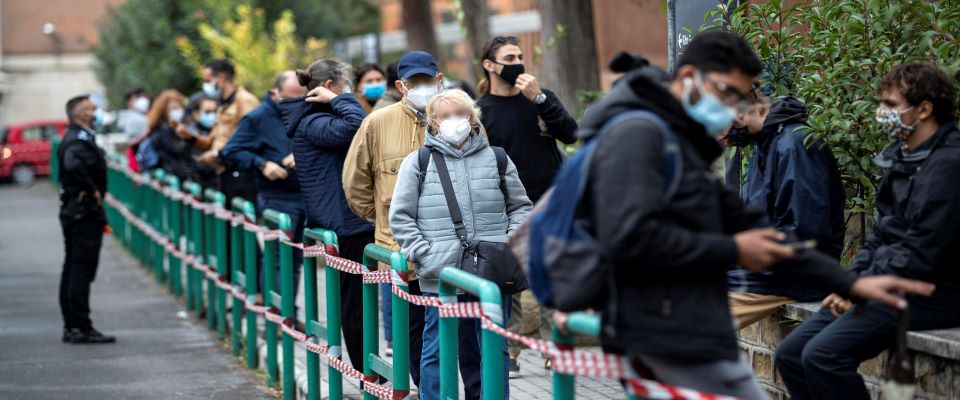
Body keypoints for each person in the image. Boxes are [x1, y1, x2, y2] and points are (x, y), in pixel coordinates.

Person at [578, 30, 934, 399]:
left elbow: (802, 232)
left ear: (751, 102)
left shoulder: (792, 144)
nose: (723, 120)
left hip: (783, 278)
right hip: (764, 271)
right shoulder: (749, 145)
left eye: (732, 100)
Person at [775, 62, 960, 400]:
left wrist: (857, 291)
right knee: (789, 355)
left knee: (823, 357)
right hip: (885, 286)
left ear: (925, 109)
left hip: (932, 293)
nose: (880, 113)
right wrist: (851, 282)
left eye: (889, 105)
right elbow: (881, 236)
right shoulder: (903, 157)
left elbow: (922, 253)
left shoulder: (948, 166)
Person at [390, 89, 532, 400]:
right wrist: (425, 255)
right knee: (438, 349)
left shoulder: (497, 158)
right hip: (441, 273)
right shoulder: (419, 161)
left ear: (473, 118)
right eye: (445, 115)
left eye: (461, 113)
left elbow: (521, 207)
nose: (455, 120)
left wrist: (507, 246)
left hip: (492, 269)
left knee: (492, 349)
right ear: (433, 122)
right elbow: (400, 216)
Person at [476, 35, 579, 374]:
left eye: (520, 55)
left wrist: (540, 98)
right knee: (511, 282)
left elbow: (570, 132)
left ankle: (557, 350)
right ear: (490, 65)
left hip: (550, 201)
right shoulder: (482, 111)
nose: (518, 62)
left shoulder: (536, 100)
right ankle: (510, 352)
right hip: (507, 207)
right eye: (509, 57)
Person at [343, 50, 443, 388]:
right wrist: (385, 221)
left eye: (427, 81)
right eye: (414, 83)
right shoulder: (377, 123)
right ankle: (426, 388)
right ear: (401, 86)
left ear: (439, 80)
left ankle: (438, 391)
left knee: (450, 330)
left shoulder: (458, 117)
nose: (422, 88)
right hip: (400, 250)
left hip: (448, 248)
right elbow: (355, 183)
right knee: (411, 329)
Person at [726, 95, 846, 328]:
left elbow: (804, 233)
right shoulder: (767, 143)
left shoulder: (794, 144)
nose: (719, 136)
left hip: (796, 277)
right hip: (772, 273)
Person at [222, 71, 308, 300]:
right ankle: (278, 317)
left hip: (305, 195)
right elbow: (231, 152)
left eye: (302, 98)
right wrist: (262, 164)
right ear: (274, 94)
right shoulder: (257, 118)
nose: (297, 105)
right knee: (278, 260)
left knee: (296, 261)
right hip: (276, 197)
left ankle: (289, 314)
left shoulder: (308, 110)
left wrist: (301, 155)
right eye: (291, 100)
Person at [58, 95, 115, 344]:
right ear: (81, 114)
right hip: (83, 212)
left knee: (72, 268)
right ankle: (80, 326)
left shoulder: (77, 137)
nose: (96, 113)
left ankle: (73, 325)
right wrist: (90, 189)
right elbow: (72, 166)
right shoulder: (78, 139)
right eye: (92, 109)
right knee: (81, 269)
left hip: (74, 210)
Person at [176, 59, 260, 204]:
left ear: (221, 77)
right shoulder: (222, 104)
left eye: (208, 80)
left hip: (241, 173)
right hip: (224, 172)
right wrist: (190, 137)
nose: (206, 85)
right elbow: (213, 141)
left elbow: (249, 138)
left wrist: (217, 154)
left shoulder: (245, 101)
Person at [145, 90, 196, 182]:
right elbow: (177, 150)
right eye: (173, 108)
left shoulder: (177, 127)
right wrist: (188, 138)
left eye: (179, 107)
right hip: (170, 177)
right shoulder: (163, 130)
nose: (178, 111)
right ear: (164, 110)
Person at [183, 96, 219, 189]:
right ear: (196, 114)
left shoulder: (219, 132)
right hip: (196, 182)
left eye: (215, 112)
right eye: (207, 112)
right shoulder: (189, 134)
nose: (212, 115)